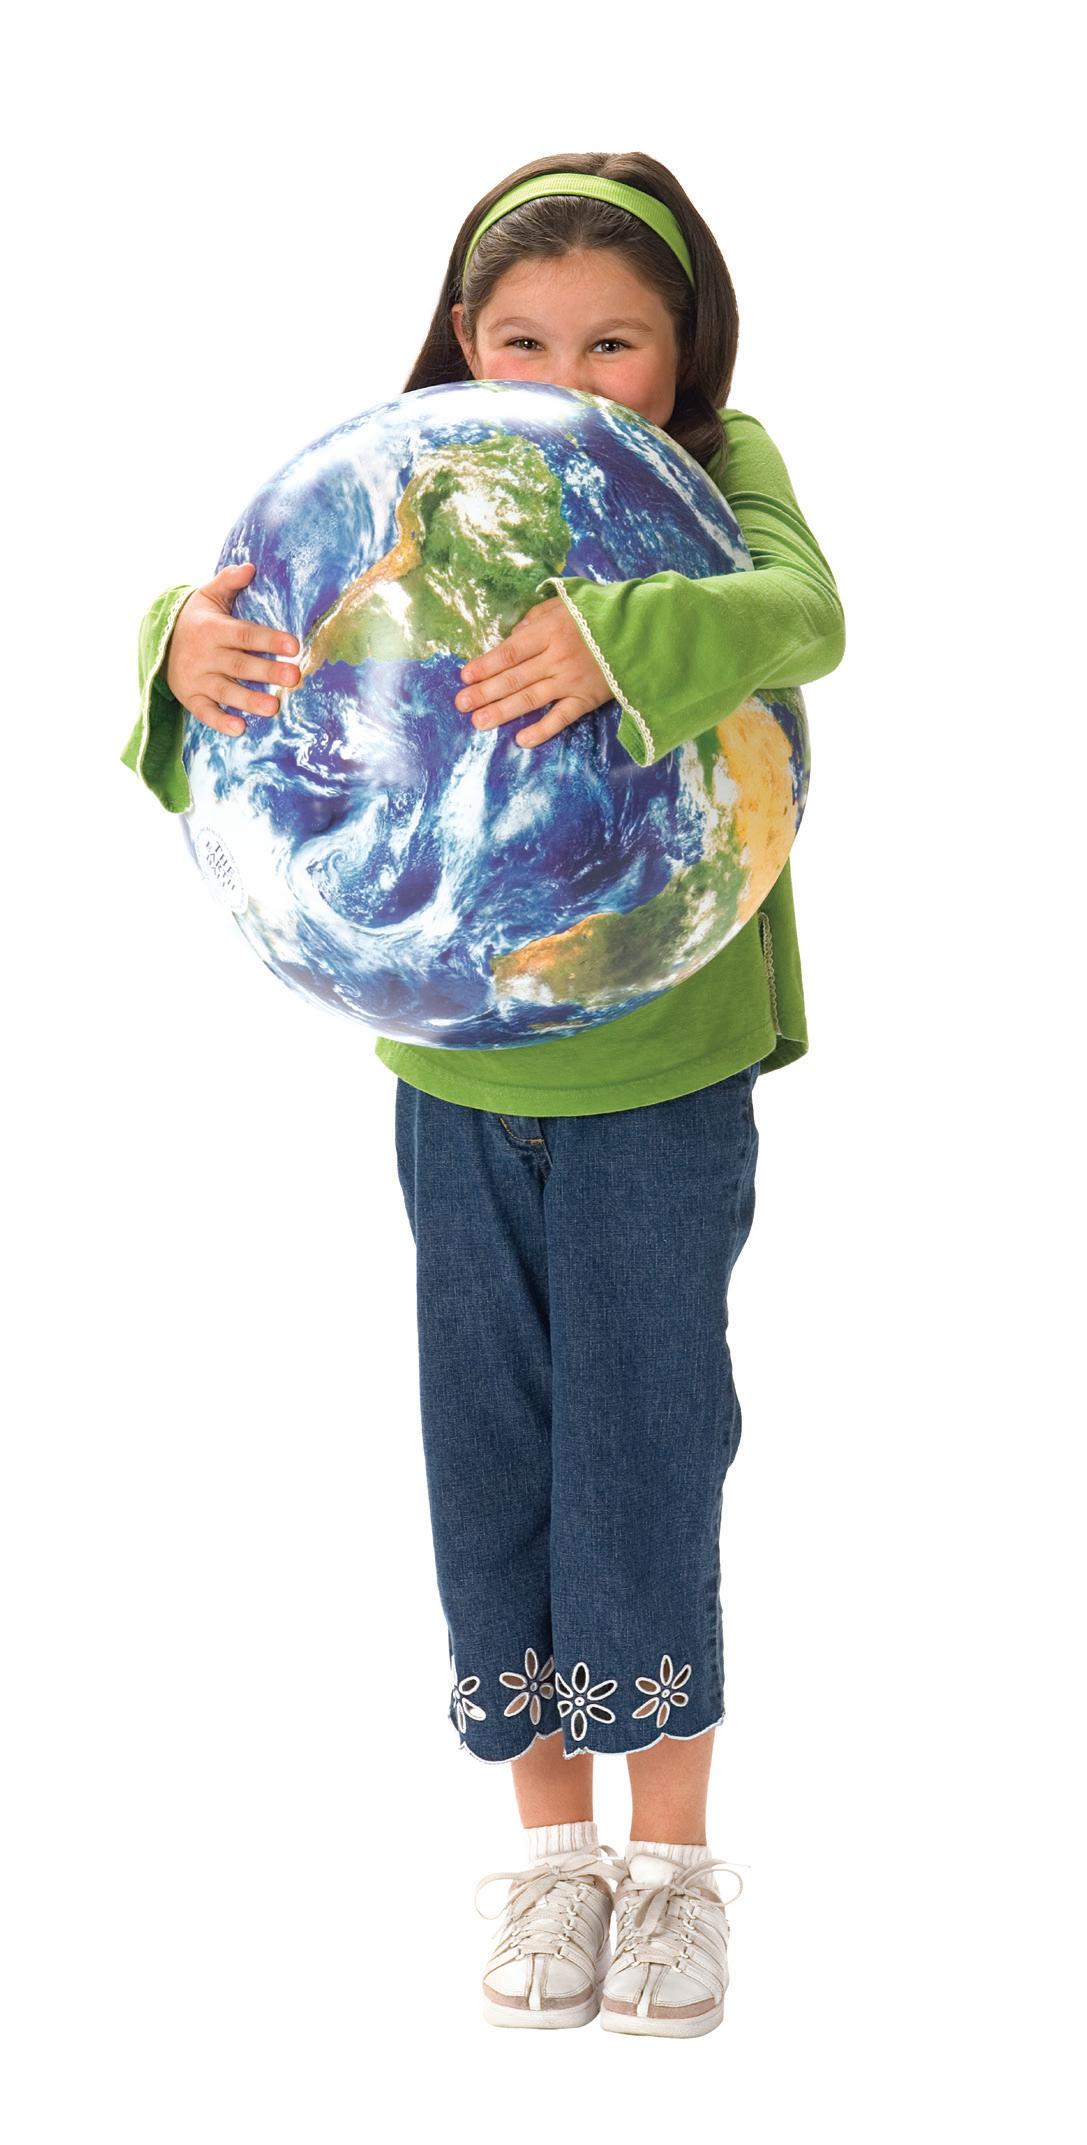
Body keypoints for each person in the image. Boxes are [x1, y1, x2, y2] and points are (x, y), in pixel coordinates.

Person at [121, 151, 845, 2040]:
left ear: (686, 351)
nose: (570, 373)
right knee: (491, 1452)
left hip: (661, 1074)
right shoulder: (408, 475)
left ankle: (671, 1871)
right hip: (451, 1074)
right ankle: (550, 1860)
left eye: (616, 342)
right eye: (524, 338)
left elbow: (802, 612)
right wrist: (171, 644)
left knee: (645, 1449)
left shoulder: (715, 470)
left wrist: (623, 635)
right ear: (463, 337)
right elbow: (263, 627)